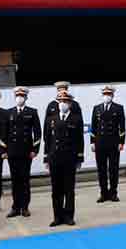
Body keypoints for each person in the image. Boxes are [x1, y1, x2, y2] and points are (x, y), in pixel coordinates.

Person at [45, 90, 84, 226]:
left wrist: (79, 158)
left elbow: (80, 140)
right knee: (56, 190)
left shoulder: (76, 119)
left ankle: (69, 216)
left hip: (69, 158)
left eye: (65, 101)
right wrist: (46, 158)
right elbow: (48, 140)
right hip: (54, 158)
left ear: (70, 103)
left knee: (69, 189)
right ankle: (57, 217)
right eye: (60, 101)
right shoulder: (51, 119)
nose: (62, 104)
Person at [4, 86, 41, 218]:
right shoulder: (9, 113)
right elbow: (4, 133)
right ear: (15, 98)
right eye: (17, 96)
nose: (19, 98)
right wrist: (4, 150)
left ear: (25, 98)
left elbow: (37, 132)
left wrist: (35, 150)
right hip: (12, 152)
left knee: (25, 180)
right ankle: (15, 207)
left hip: (26, 152)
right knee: (15, 181)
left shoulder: (32, 112)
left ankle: (25, 207)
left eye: (22, 96)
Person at [91, 84, 126, 203]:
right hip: (100, 143)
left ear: (112, 95)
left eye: (109, 94)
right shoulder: (97, 108)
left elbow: (122, 127)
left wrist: (121, 142)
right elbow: (93, 127)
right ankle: (103, 193)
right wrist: (92, 142)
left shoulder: (118, 108)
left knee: (113, 169)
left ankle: (113, 193)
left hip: (113, 142)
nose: (107, 96)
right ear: (102, 95)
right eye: (105, 94)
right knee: (101, 169)